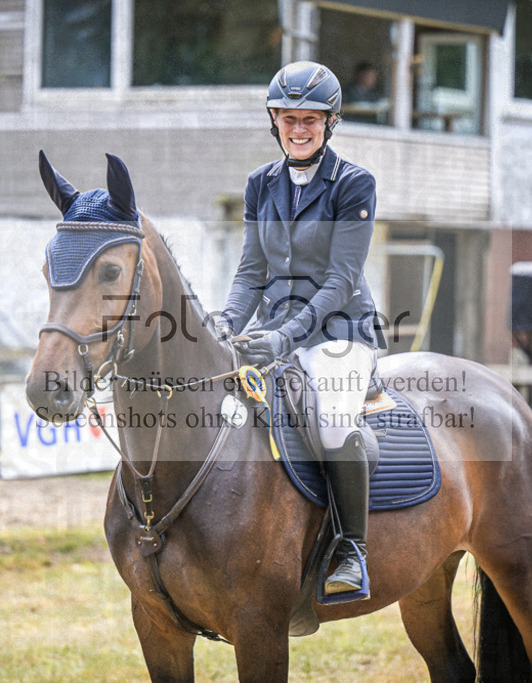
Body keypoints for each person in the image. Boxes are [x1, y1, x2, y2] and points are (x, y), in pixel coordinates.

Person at [215, 61, 385, 600]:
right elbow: (250, 273)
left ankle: (350, 548)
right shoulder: (259, 185)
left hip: (340, 331)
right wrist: (224, 326)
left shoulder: (354, 183)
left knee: (333, 421)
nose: (299, 129)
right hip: (272, 330)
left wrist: (287, 336)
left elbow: (340, 279)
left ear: (330, 122)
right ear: (275, 121)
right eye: (289, 118)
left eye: (311, 119)